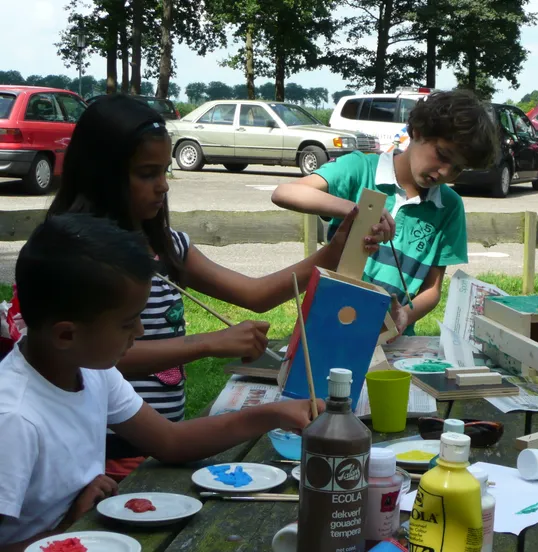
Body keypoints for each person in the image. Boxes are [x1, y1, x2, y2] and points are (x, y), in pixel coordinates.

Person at [44, 95, 388, 480]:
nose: (162, 187)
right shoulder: (72, 259)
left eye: (164, 172)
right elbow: (94, 355)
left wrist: (337, 248)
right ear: (101, 172)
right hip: (109, 450)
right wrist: (208, 343)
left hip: (162, 441)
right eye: (146, 174)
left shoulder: (166, 246)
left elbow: (256, 295)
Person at [0, 214, 325, 551]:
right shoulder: (14, 419)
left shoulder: (90, 370)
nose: (140, 332)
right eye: (127, 324)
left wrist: (276, 413)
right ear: (66, 334)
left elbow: (171, 441)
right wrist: (70, 527)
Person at [271, 90, 499, 336]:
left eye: (458, 168)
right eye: (442, 155)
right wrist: (355, 210)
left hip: (391, 339)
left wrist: (404, 315)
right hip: (329, 325)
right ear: (417, 131)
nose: (445, 172)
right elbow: (285, 192)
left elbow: (432, 289)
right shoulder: (360, 169)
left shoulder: (449, 206)